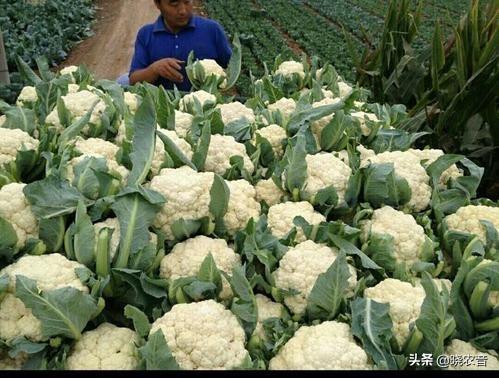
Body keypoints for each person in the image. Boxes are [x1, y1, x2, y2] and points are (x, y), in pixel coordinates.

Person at [119, 0, 232, 90]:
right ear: (158, 4)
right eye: (174, 3)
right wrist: (154, 69)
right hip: (160, 109)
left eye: (187, 2)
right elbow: (133, 81)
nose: (182, 10)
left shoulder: (212, 30)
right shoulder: (146, 34)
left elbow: (232, 68)